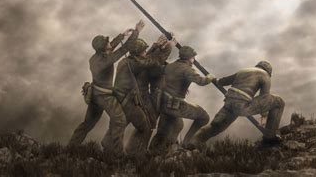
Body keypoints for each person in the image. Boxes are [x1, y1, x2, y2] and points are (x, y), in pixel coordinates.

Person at [68, 20, 145, 155]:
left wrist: (122, 35)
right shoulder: (106, 60)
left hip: (95, 94)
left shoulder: (95, 58)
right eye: (107, 43)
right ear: (104, 48)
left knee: (87, 124)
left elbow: (110, 48)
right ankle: (116, 154)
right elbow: (124, 49)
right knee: (120, 120)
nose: (109, 44)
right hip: (105, 97)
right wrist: (136, 32)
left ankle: (70, 148)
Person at [189, 61, 285, 148]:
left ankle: (195, 142)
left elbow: (222, 82)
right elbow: (264, 97)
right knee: (278, 101)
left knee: (215, 126)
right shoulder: (265, 75)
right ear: (269, 72)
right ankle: (270, 137)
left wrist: (214, 79)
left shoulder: (243, 71)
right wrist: (264, 116)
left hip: (229, 103)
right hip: (242, 105)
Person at [113, 35, 172, 155]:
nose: (146, 52)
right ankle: (133, 152)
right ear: (138, 53)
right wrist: (168, 47)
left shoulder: (128, 61)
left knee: (122, 125)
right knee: (145, 126)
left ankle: (126, 150)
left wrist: (156, 46)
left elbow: (144, 59)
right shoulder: (133, 64)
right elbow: (152, 62)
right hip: (129, 100)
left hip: (126, 98)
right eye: (144, 50)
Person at [150, 45, 215, 150]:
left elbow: (170, 78)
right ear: (190, 58)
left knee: (171, 127)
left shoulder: (169, 66)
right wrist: (210, 77)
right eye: (193, 57)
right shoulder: (187, 69)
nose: (193, 59)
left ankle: (155, 151)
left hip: (164, 103)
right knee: (204, 117)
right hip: (175, 105)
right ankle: (186, 143)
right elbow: (201, 82)